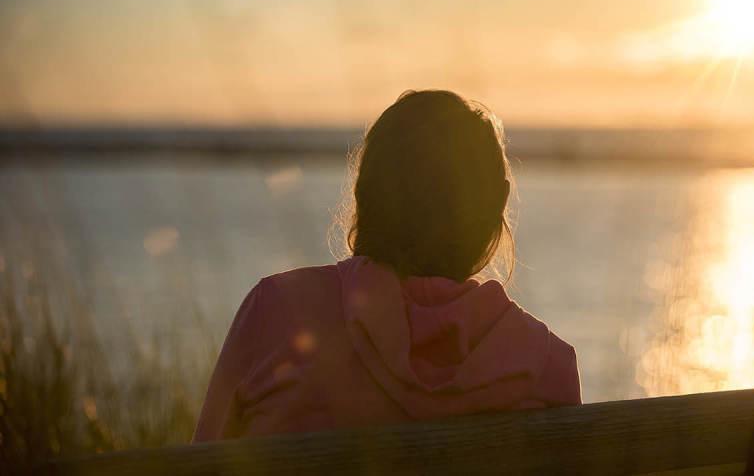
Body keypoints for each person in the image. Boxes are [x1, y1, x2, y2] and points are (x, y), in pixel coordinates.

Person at [193, 90, 581, 442]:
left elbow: (203, 463)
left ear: (366, 195)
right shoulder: (545, 364)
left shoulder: (277, 313)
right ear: (497, 205)